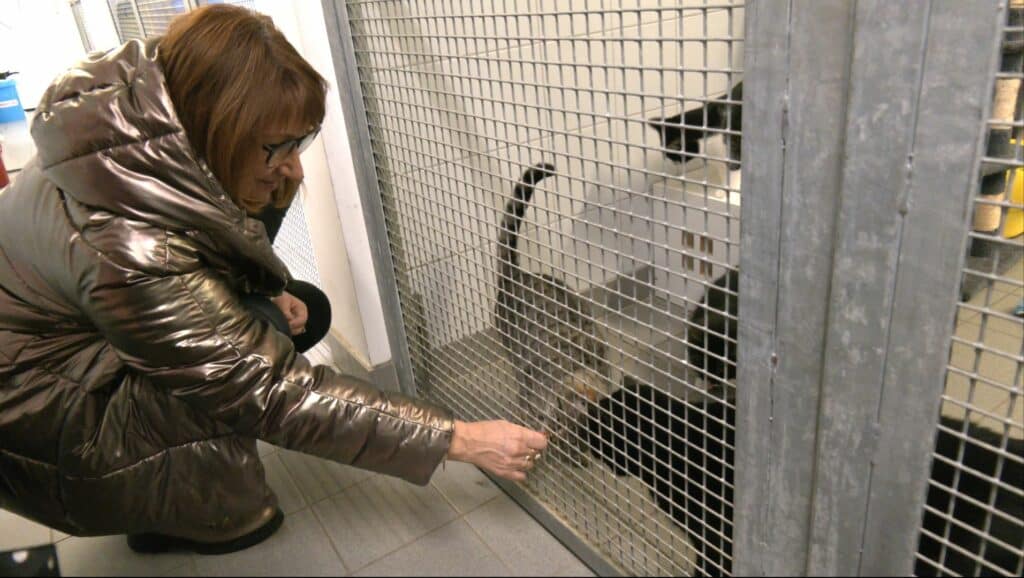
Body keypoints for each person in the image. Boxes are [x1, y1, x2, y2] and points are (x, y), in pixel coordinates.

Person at [0, 4, 548, 556]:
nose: (297, 167)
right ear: (218, 131)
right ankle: (181, 515)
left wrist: (268, 255)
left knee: (302, 310)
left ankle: (165, 488)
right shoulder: (132, 244)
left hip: (67, 357)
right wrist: (458, 438)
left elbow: (215, 238)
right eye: (277, 147)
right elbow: (264, 389)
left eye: (299, 143)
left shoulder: (136, 125)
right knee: (254, 354)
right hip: (48, 429)